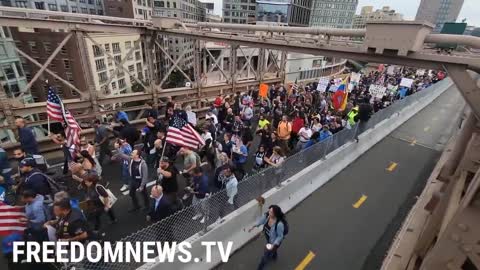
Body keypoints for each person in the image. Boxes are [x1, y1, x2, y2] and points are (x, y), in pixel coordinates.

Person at [248, 205, 287, 270]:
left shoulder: (279, 224)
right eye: (269, 211)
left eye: (271, 212)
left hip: (274, 242)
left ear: (275, 214)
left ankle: (260, 268)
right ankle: (274, 255)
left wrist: (273, 245)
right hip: (269, 239)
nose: (269, 212)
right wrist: (254, 226)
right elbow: (261, 221)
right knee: (273, 251)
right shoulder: (267, 216)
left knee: (265, 257)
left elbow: (280, 236)